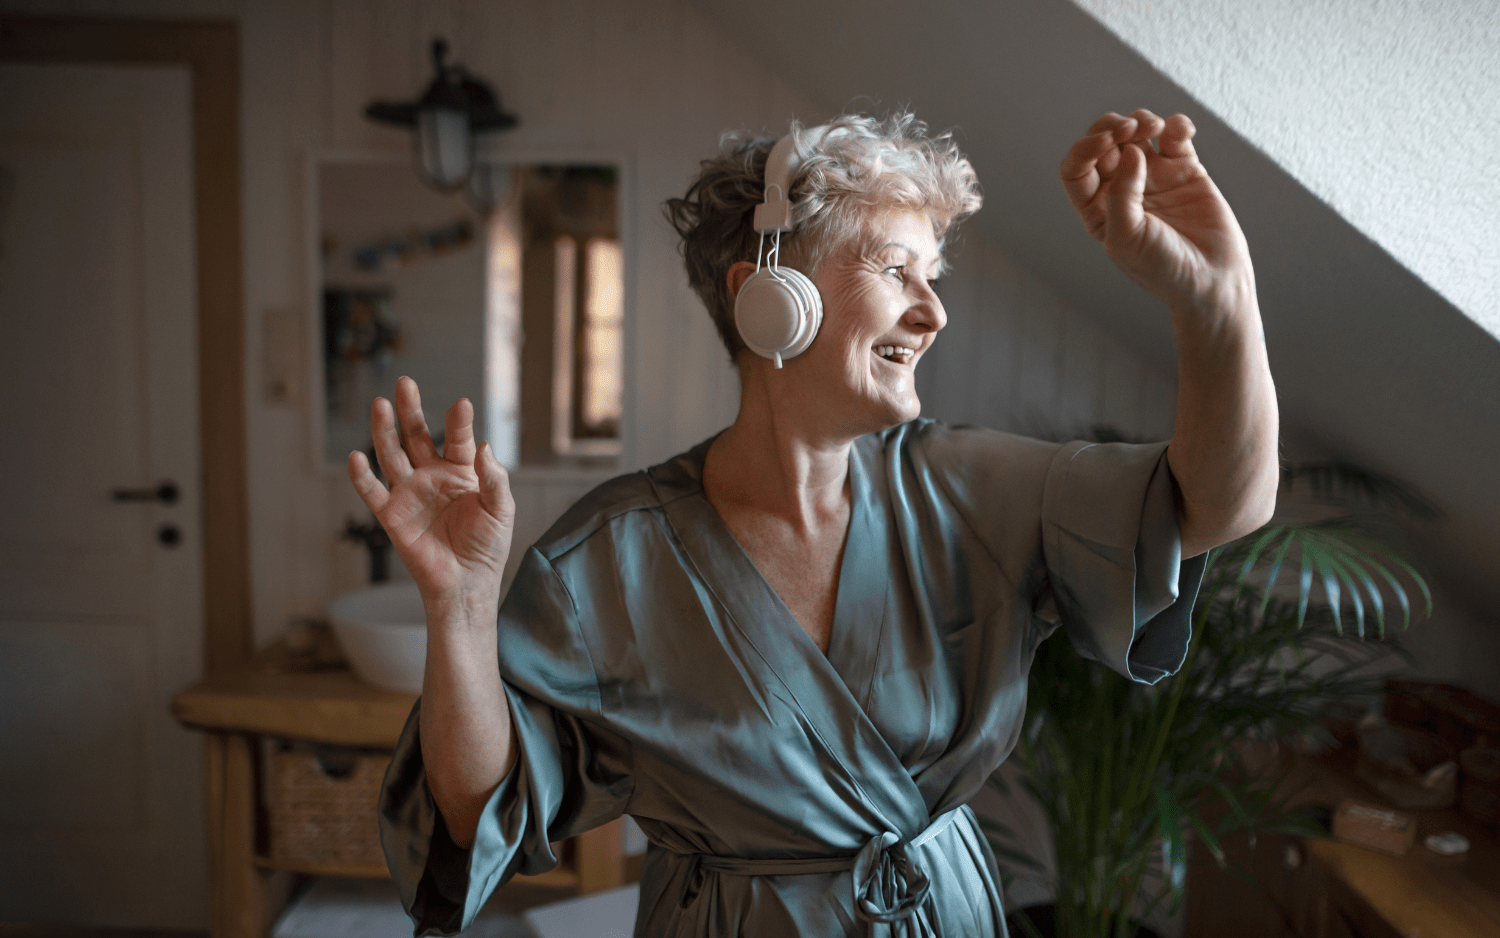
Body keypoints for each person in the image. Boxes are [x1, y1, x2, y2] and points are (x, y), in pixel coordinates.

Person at [356, 109, 1278, 936]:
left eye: (935, 275)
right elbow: (482, 811)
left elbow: (1216, 504)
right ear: (770, 298)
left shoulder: (974, 488)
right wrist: (461, 610)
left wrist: (1215, 298)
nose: (934, 311)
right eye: (895, 269)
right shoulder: (609, 559)